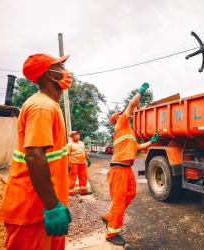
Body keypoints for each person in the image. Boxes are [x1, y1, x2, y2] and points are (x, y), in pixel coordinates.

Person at [0, 53, 73, 250]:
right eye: (61, 67)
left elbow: (49, 154)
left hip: (44, 207)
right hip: (33, 211)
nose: (66, 72)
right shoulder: (42, 107)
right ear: (50, 74)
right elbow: (34, 155)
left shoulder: (49, 105)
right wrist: (51, 206)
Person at [102, 82, 161, 246]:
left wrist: (151, 141)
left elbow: (137, 148)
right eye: (123, 114)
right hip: (118, 170)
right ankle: (112, 233)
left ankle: (109, 216)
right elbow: (131, 105)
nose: (127, 115)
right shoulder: (120, 124)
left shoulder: (128, 134)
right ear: (118, 118)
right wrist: (140, 92)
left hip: (126, 170)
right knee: (119, 202)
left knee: (131, 193)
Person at [67, 130, 90, 196]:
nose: (78, 136)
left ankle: (83, 191)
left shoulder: (81, 143)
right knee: (72, 177)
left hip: (83, 163)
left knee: (83, 177)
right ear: (72, 136)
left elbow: (85, 151)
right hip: (74, 163)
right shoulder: (69, 145)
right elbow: (67, 155)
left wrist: (88, 159)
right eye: (76, 135)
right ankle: (69, 191)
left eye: (78, 134)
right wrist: (67, 164)